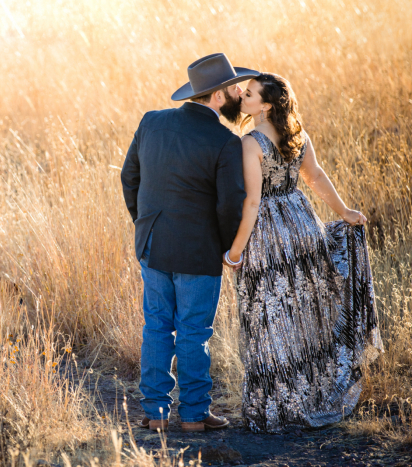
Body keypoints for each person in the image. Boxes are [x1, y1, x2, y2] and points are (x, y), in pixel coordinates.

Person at [224, 72, 384, 433]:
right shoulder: (298, 134)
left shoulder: (250, 143)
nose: (242, 97)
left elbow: (252, 203)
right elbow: (317, 176)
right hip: (302, 223)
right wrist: (344, 212)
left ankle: (278, 406)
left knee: (269, 317)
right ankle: (310, 395)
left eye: (248, 95)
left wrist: (235, 252)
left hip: (268, 235)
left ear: (264, 106)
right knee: (301, 315)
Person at [120, 53, 258, 432]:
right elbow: (230, 204)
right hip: (198, 254)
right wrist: (229, 248)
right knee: (195, 334)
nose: (238, 95)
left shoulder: (152, 122)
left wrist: (145, 225)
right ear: (216, 97)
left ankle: (156, 413)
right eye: (233, 89)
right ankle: (195, 415)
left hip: (152, 246)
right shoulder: (225, 140)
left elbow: (128, 178)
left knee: (156, 327)